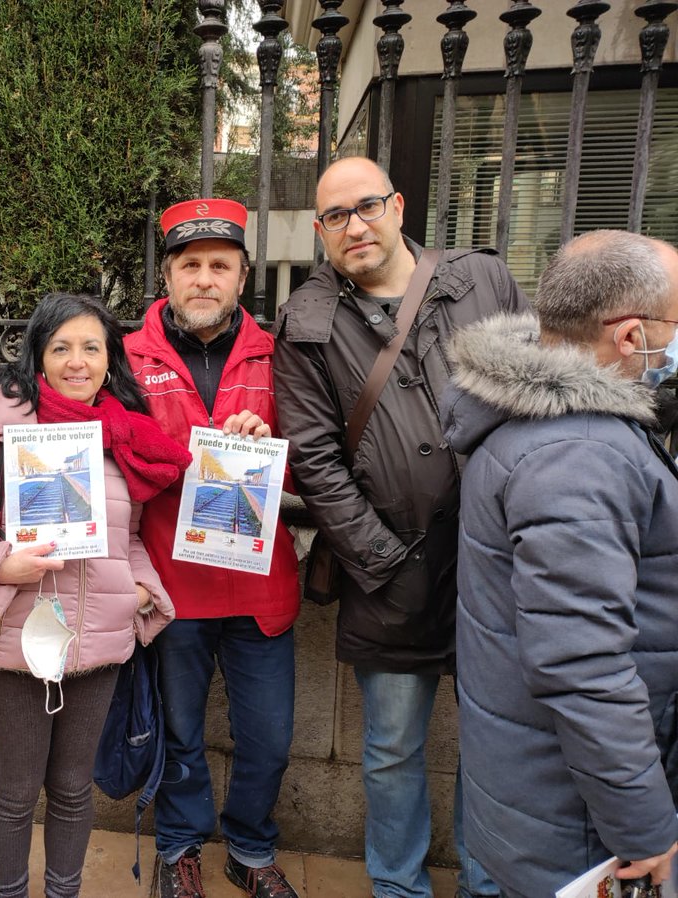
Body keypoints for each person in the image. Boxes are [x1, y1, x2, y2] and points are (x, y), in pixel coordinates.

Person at [272, 156, 527, 898]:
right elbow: (314, 457)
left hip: (495, 560)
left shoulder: (481, 280)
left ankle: (488, 883)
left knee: (494, 745)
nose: (354, 226)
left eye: (366, 206)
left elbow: (534, 394)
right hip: (390, 570)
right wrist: (379, 557)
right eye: (335, 217)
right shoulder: (307, 322)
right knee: (389, 748)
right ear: (320, 232)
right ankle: (399, 887)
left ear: (398, 205)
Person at [442, 230, 678, 898]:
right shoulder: (578, 453)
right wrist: (646, 828)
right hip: (581, 826)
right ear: (630, 337)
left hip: (545, 797)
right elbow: (583, 665)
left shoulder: (550, 426)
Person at [0, 292, 186, 898]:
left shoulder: (123, 436)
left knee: (74, 788)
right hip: (17, 640)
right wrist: (1, 565)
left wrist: (142, 587)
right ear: (39, 357)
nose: (78, 362)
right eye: (61, 347)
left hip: (98, 639)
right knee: (17, 789)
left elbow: (125, 542)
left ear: (109, 358)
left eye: (91, 348)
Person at [124, 199, 302, 898]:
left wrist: (270, 452)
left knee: (269, 738)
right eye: (190, 265)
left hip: (262, 588)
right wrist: (168, 456)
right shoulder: (129, 357)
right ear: (168, 274)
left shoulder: (280, 354)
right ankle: (179, 847)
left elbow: (316, 459)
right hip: (171, 584)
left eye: (219, 266)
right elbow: (113, 462)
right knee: (179, 732)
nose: (204, 279)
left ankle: (251, 849)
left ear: (242, 275)